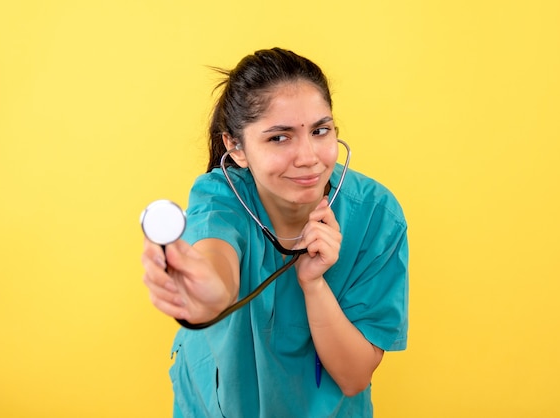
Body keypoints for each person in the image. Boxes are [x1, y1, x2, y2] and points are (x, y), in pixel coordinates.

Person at [141, 47, 409, 417]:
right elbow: (215, 255)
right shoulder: (220, 197)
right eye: (279, 137)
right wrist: (209, 295)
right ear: (236, 147)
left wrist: (314, 284)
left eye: (320, 130)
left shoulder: (377, 217)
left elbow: (354, 377)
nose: (308, 157)